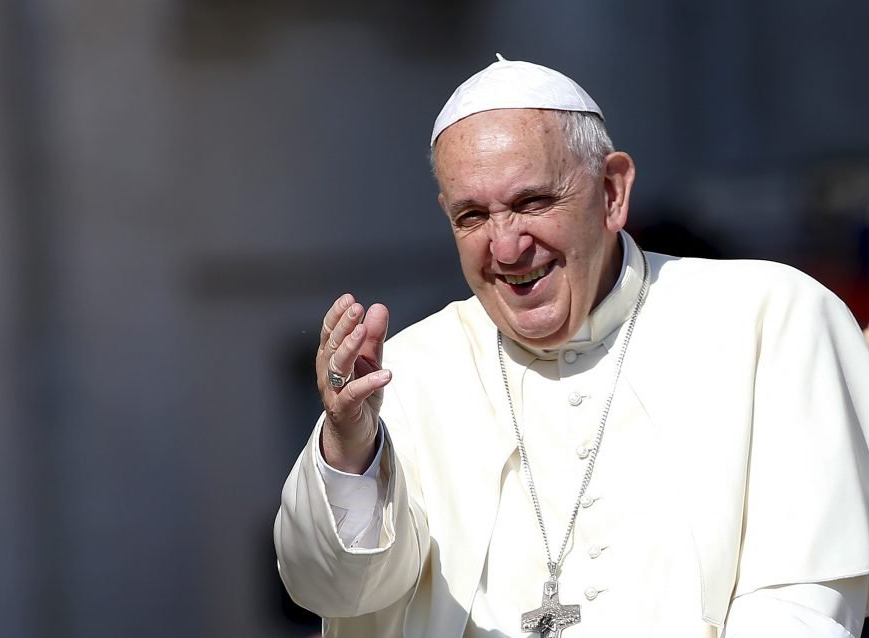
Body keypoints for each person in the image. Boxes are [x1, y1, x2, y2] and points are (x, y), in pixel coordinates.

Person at [274, 56, 869, 637]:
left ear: (612, 191)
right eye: (473, 216)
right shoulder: (408, 374)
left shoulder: (771, 319)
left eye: (532, 203)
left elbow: (803, 599)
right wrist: (348, 451)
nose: (506, 249)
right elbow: (335, 592)